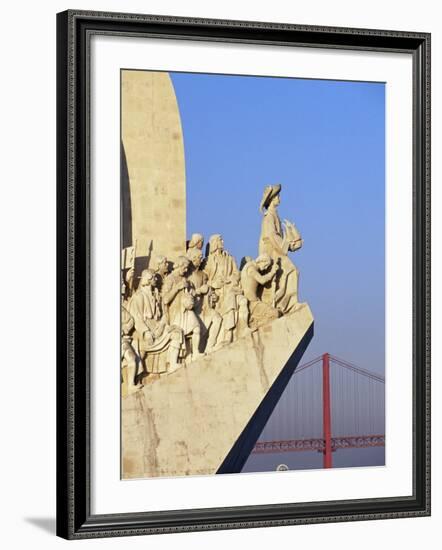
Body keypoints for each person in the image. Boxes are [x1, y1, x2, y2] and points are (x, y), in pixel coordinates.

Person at [259, 184, 303, 313]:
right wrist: (286, 244)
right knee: (292, 271)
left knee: (292, 272)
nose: (279, 198)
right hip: (272, 254)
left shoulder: (275, 215)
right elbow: (272, 237)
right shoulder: (269, 217)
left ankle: (288, 303)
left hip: (278, 251)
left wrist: (291, 241)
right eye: (277, 196)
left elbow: (279, 239)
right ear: (272, 199)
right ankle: (285, 304)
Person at [129, 269, 182, 375]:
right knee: (140, 347)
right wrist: (146, 332)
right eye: (153, 277)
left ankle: (172, 364)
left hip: (158, 326)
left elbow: (164, 313)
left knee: (176, 332)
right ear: (148, 280)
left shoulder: (157, 294)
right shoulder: (139, 296)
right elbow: (137, 317)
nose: (156, 279)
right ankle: (136, 375)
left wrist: (162, 325)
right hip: (146, 328)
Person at [240, 254, 280, 329]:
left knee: (275, 313)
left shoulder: (251, 267)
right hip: (252, 303)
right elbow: (262, 280)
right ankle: (255, 325)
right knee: (275, 314)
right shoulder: (251, 268)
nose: (265, 268)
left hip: (254, 301)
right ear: (261, 261)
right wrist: (272, 272)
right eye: (266, 265)